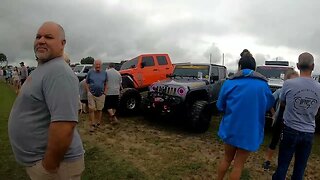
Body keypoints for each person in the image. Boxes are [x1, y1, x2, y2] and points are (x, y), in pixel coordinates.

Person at [8, 21, 85, 180]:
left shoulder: (58, 71)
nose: (41, 40)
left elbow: (65, 125)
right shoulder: (44, 68)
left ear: (62, 44)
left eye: (48, 37)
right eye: (38, 36)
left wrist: (48, 166)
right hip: (47, 165)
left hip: (57, 167)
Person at [216, 49, 275, 180]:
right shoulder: (263, 85)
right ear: (254, 68)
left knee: (226, 159)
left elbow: (220, 106)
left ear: (240, 67)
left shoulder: (229, 82)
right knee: (238, 166)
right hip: (250, 130)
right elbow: (267, 105)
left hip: (231, 127)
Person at [272, 52, 320, 180]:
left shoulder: (288, 84)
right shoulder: (319, 88)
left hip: (290, 130)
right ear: (313, 66)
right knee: (300, 169)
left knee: (282, 165)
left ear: (298, 66)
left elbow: (282, 103)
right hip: (309, 132)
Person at [86, 59, 108, 132]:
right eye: (96, 64)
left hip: (101, 94)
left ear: (101, 65)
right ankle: (92, 124)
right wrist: (88, 91)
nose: (98, 66)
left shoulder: (104, 73)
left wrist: (105, 92)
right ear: (94, 65)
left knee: (99, 109)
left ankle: (98, 123)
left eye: (99, 64)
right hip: (91, 94)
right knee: (91, 109)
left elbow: (106, 82)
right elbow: (86, 82)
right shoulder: (90, 72)